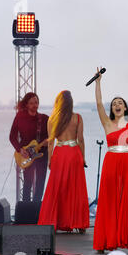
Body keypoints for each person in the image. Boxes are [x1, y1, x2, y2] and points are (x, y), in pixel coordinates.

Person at [92, 68, 128, 254]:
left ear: (125, 107)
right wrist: (98, 83)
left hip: (127, 163)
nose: (117, 104)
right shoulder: (107, 123)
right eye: (114, 103)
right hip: (111, 162)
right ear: (112, 108)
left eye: (120, 102)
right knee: (110, 201)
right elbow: (99, 104)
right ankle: (106, 239)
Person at [37, 90, 89, 233]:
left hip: (59, 154)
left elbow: (50, 143)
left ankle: (53, 222)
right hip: (74, 153)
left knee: (56, 188)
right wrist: (83, 157)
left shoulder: (52, 120)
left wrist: (49, 160)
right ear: (71, 103)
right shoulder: (77, 118)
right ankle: (78, 223)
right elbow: (81, 140)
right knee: (75, 188)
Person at [9, 92, 49, 203]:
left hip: (42, 155)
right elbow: (12, 137)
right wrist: (20, 149)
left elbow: (52, 134)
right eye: (31, 103)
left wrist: (48, 141)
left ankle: (36, 210)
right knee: (28, 183)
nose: (34, 105)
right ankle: (26, 210)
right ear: (26, 104)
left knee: (40, 183)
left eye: (36, 102)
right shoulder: (20, 117)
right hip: (26, 154)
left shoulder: (44, 119)